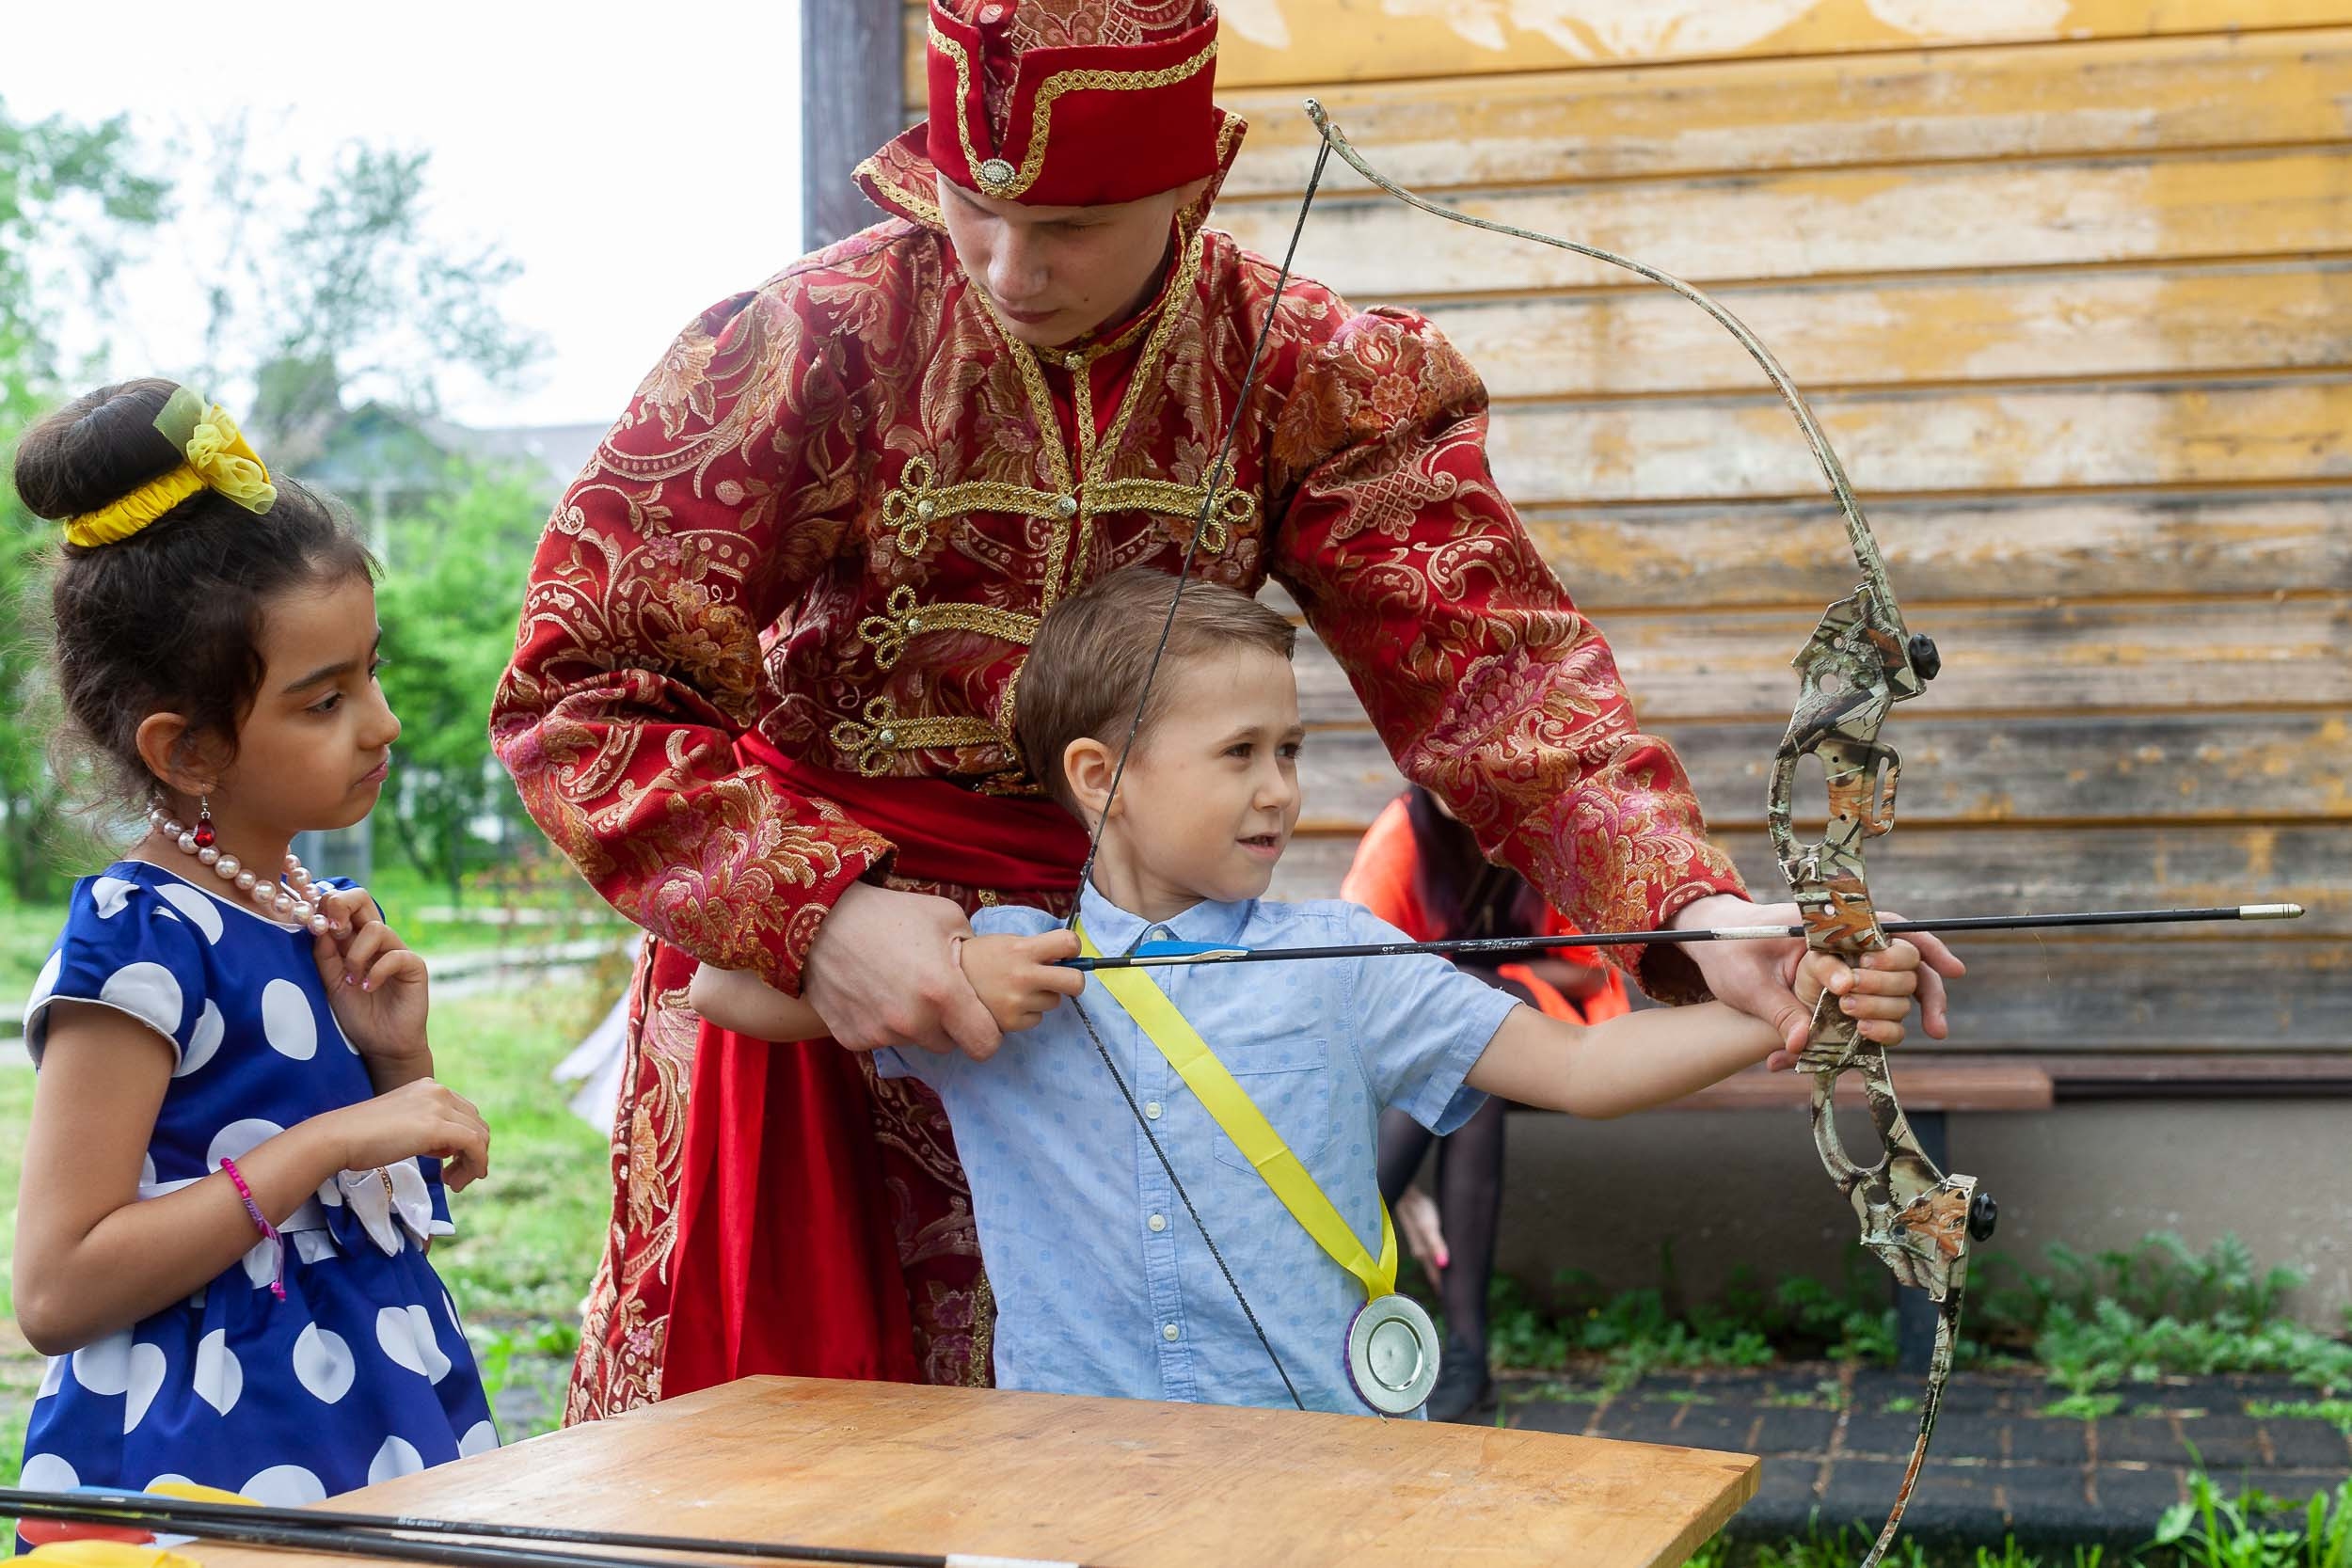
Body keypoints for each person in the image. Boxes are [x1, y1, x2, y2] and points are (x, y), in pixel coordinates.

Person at [491, 0, 1961, 1419]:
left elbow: (1498, 676)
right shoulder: (805, 344)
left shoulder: (1309, 370)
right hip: (822, 996)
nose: (1006, 267)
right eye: (967, 203)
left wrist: (1692, 915)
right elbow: (579, 684)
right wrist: (815, 914)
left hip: (1125, 1001)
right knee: (789, 1490)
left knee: (1125, 1465)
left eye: (1067, 225)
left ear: (1201, 175)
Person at [690, 568, 1925, 1414]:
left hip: (1308, 1464)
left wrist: (1786, 1004)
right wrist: (943, 961)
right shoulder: (1010, 964)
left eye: (1290, 748)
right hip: (1064, 1474)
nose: (1281, 788)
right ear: (1099, 774)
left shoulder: (1345, 953)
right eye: (1240, 754)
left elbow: (1580, 1070)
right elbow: (720, 993)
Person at [8, 380, 497, 1508]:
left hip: (375, 1413)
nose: (380, 720)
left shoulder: (305, 913)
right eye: (323, 700)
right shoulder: (143, 938)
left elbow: (385, 1215)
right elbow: (57, 1285)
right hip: (215, 1458)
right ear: (185, 751)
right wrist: (332, 1133)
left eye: (368, 670)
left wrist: (395, 1064)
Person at [1342, 785, 1629, 1419]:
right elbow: (1360, 970)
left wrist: (1472, 981)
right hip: (1445, 1047)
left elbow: (1590, 968)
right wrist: (1461, 993)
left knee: (1472, 1015)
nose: (1455, 770)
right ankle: (1470, 1356)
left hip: (1561, 1027)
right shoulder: (1404, 832)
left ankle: (1338, 1237)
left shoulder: (1550, 828)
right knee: (1475, 1061)